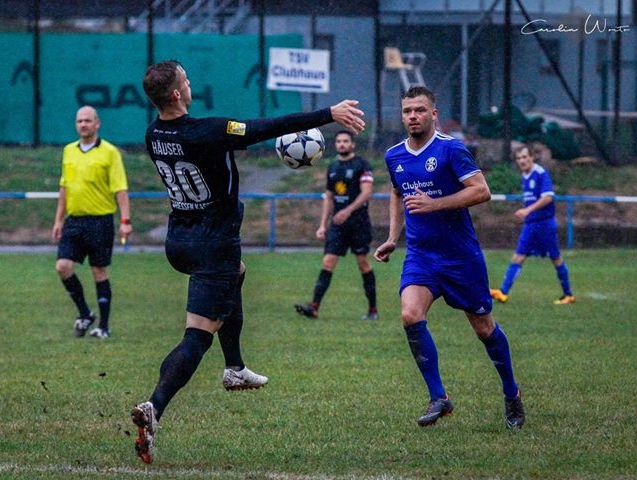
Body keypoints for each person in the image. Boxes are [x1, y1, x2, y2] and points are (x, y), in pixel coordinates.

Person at [130, 59, 365, 464]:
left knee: (238, 273)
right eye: (186, 79)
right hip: (213, 243)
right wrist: (329, 113)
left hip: (179, 240)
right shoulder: (210, 130)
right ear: (176, 93)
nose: (191, 82)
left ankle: (235, 367)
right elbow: (266, 128)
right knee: (197, 337)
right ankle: (155, 406)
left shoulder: (154, 135)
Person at [373, 86, 525, 429]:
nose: (413, 116)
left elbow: (482, 191)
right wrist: (393, 238)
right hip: (421, 255)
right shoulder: (394, 155)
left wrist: (434, 204)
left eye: (420, 110)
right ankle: (439, 396)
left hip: (460, 257)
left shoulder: (451, 149)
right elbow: (397, 193)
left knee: (484, 329)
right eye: (407, 111)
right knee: (410, 315)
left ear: (433, 114)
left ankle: (512, 393)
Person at [51, 105, 132, 339]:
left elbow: (120, 189)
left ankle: (103, 327)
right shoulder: (69, 151)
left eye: (87, 120)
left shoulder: (110, 152)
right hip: (74, 221)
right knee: (63, 266)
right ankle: (85, 313)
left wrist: (125, 220)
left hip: (100, 221)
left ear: (97, 123)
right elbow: (64, 188)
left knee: (99, 271)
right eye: (79, 121)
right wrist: (58, 220)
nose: (83, 124)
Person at [294, 130, 378, 321]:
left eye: (345, 141)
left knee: (363, 263)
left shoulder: (362, 165)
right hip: (338, 225)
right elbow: (329, 197)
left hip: (359, 223)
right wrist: (322, 225)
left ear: (352, 144)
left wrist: (347, 211)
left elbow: (366, 193)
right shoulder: (332, 166)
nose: (342, 144)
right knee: (327, 262)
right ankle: (314, 307)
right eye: (339, 141)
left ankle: (373, 310)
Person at [490, 144, 575, 305]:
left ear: (532, 157)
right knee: (518, 256)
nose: (522, 161)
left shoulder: (541, 173)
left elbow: (548, 197)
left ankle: (568, 295)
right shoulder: (525, 175)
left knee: (555, 257)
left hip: (544, 224)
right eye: (518, 158)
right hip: (531, 224)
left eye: (524, 157)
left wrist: (527, 210)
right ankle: (503, 292)